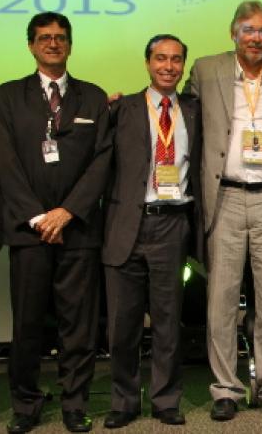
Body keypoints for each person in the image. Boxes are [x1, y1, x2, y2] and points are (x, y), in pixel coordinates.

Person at [184, 0, 262, 421]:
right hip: (226, 196)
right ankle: (225, 389)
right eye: (250, 30)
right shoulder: (205, 69)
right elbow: (183, 116)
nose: (257, 38)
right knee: (221, 297)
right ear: (233, 32)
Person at [0, 12, 112, 433]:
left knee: (78, 327)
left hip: (78, 230)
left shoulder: (93, 98)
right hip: (29, 232)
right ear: (30, 45)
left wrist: (68, 212)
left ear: (70, 44)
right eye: (44, 38)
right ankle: (25, 406)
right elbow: (5, 163)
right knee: (26, 325)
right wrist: (40, 216)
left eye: (61, 37)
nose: (53, 43)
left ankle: (74, 404)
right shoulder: (7, 96)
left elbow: (102, 161)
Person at [101, 34, 202, 429]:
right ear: (147, 63)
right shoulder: (121, 109)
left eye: (176, 60)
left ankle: (165, 400)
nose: (168, 66)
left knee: (167, 320)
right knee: (122, 325)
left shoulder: (194, 110)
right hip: (127, 223)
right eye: (161, 58)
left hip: (172, 222)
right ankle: (123, 401)